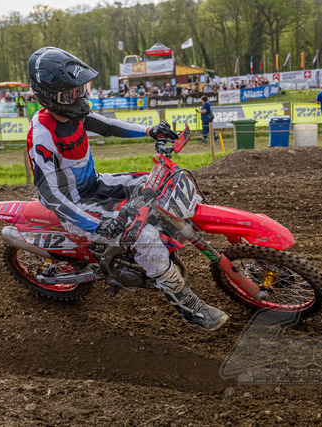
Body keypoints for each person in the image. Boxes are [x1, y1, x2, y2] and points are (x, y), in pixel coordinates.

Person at [27, 47, 228, 331]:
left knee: (158, 182)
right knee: (145, 235)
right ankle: (186, 305)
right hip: (76, 206)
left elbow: (109, 126)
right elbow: (50, 195)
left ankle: (155, 250)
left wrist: (150, 131)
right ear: (49, 96)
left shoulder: (74, 115)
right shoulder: (42, 134)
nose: (79, 97)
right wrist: (98, 224)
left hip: (95, 184)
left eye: (80, 89)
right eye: (70, 94)